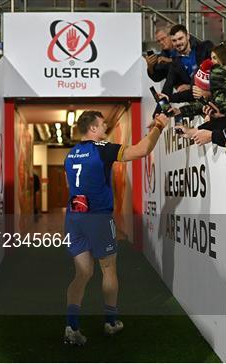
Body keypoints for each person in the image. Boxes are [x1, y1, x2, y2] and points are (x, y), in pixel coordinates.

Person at [63, 110, 168, 346]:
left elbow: (70, 184)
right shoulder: (102, 148)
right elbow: (142, 150)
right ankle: (111, 322)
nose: (105, 129)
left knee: (82, 273)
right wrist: (159, 126)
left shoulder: (70, 155)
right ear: (92, 129)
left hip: (74, 218)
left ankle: (71, 327)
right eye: (102, 125)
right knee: (108, 270)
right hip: (99, 218)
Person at [161, 24, 213, 98]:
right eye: (174, 40)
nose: (178, 43)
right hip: (196, 101)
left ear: (188, 36)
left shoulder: (205, 48)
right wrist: (163, 102)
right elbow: (167, 88)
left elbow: (217, 73)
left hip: (216, 96)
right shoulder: (175, 63)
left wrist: (190, 86)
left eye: (180, 38)